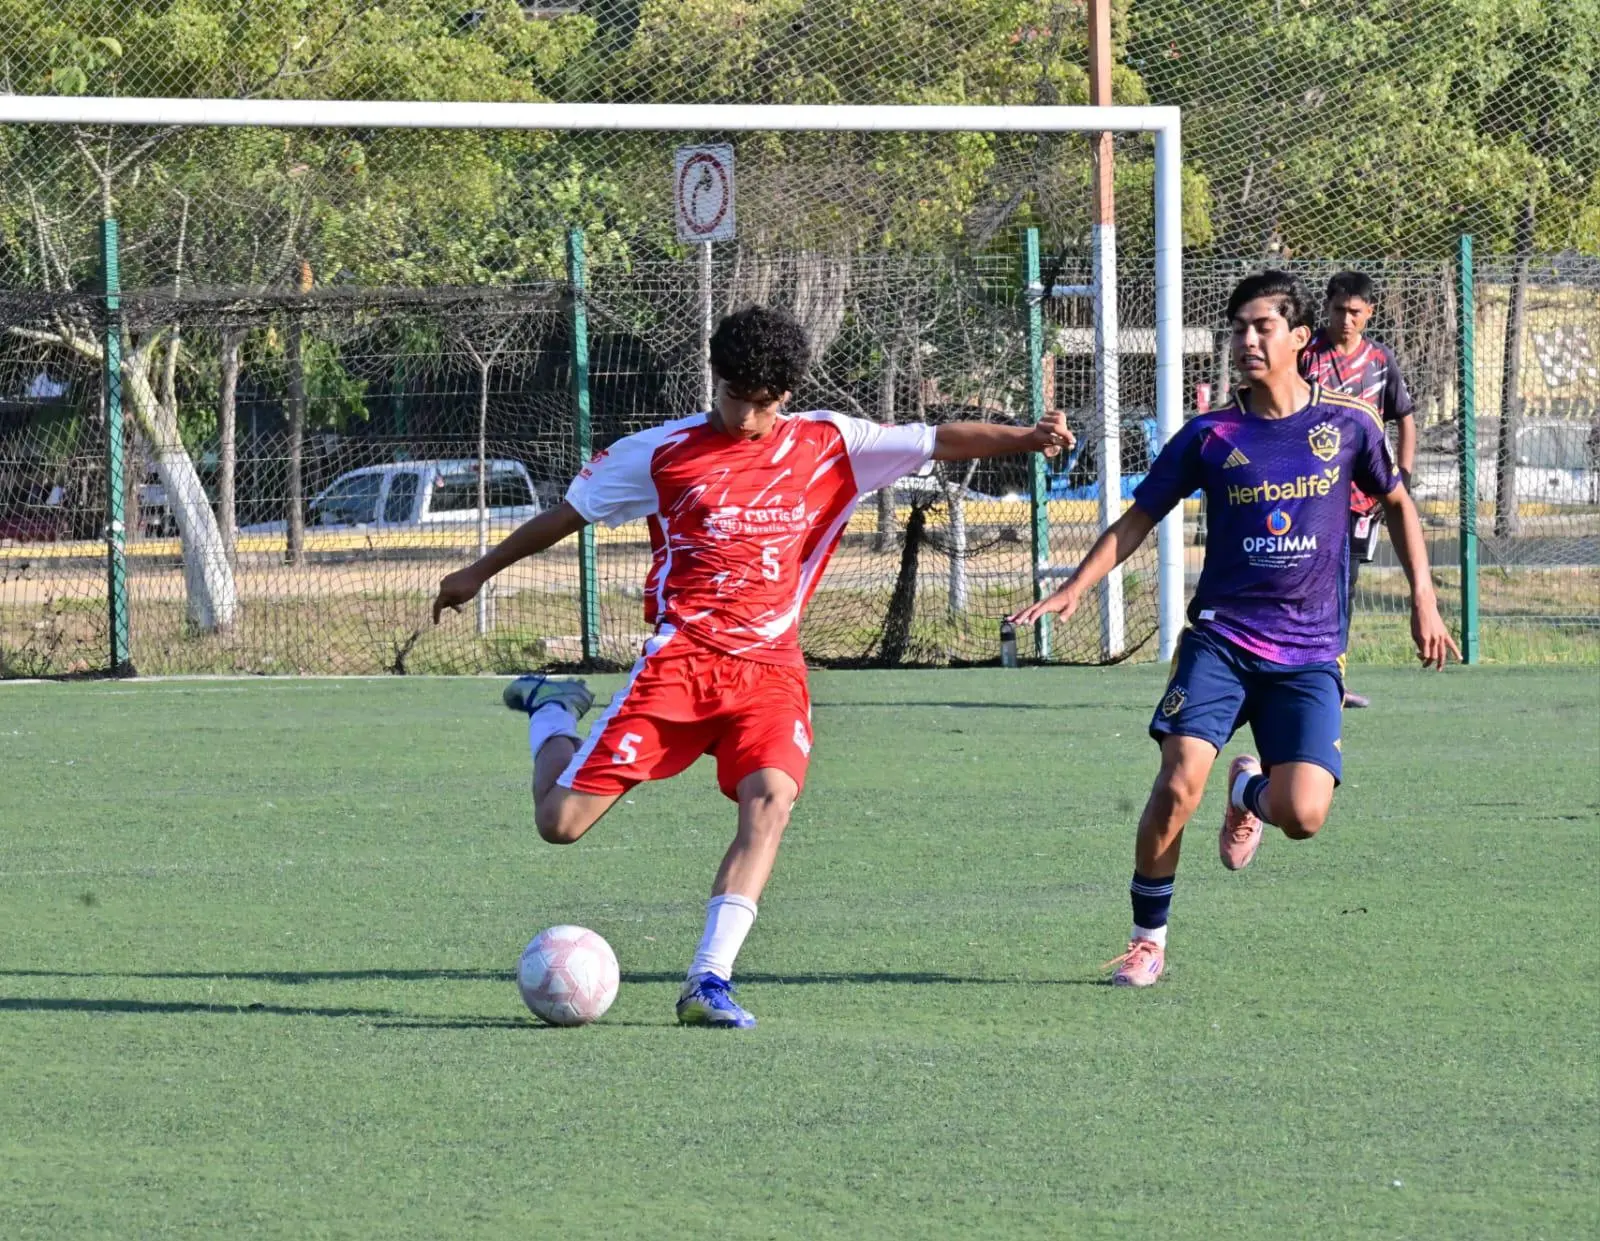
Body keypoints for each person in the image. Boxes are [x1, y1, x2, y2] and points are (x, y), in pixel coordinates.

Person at [433, 305, 1073, 1027]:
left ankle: (708, 979)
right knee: (559, 823)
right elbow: (570, 512)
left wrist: (1026, 435)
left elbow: (935, 439)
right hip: (680, 666)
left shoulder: (832, 441)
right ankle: (553, 708)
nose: (747, 416)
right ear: (717, 379)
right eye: (737, 397)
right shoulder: (661, 452)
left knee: (770, 799)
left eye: (765, 404)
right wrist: (477, 572)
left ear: (788, 395)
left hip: (770, 671)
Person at [1011, 271, 1456, 988]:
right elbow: (1137, 519)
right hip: (1222, 640)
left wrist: (1423, 600)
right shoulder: (1210, 435)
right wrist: (1073, 589)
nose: (1247, 340)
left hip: (1310, 654)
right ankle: (1146, 940)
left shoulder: (1348, 425)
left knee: (1304, 814)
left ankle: (1248, 789)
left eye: (1263, 327)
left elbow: (1399, 504)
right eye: (1239, 328)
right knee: (1179, 780)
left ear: (1299, 338)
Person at [1298, 271, 1417, 708]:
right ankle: (1295, 673)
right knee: (1300, 581)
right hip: (1308, 493)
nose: (1345, 319)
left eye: (1354, 312)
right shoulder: (1305, 356)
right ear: (1326, 308)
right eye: (1337, 310)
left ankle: (1333, 680)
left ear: (1369, 313)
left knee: (1345, 585)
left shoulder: (1380, 362)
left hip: (1360, 499)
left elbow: (1404, 415)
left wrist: (1401, 474)